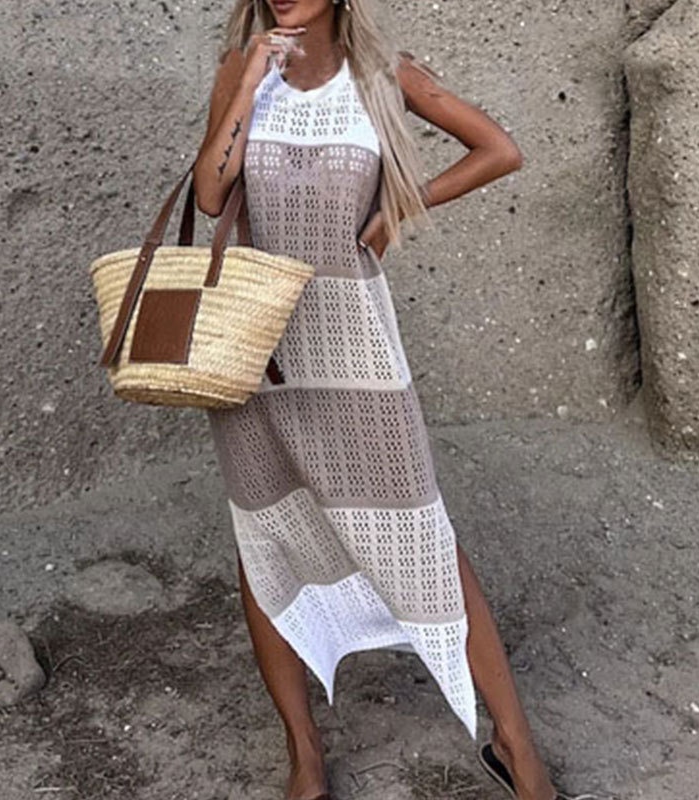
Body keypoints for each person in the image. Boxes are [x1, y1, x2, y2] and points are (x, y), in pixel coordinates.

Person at [194, 2, 586, 800]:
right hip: (261, 351)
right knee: (267, 536)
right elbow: (209, 196)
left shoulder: (381, 75)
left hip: (357, 352)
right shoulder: (242, 69)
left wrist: (400, 206)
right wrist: (250, 81)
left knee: (423, 533)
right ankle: (304, 754)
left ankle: (515, 746)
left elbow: (499, 149)